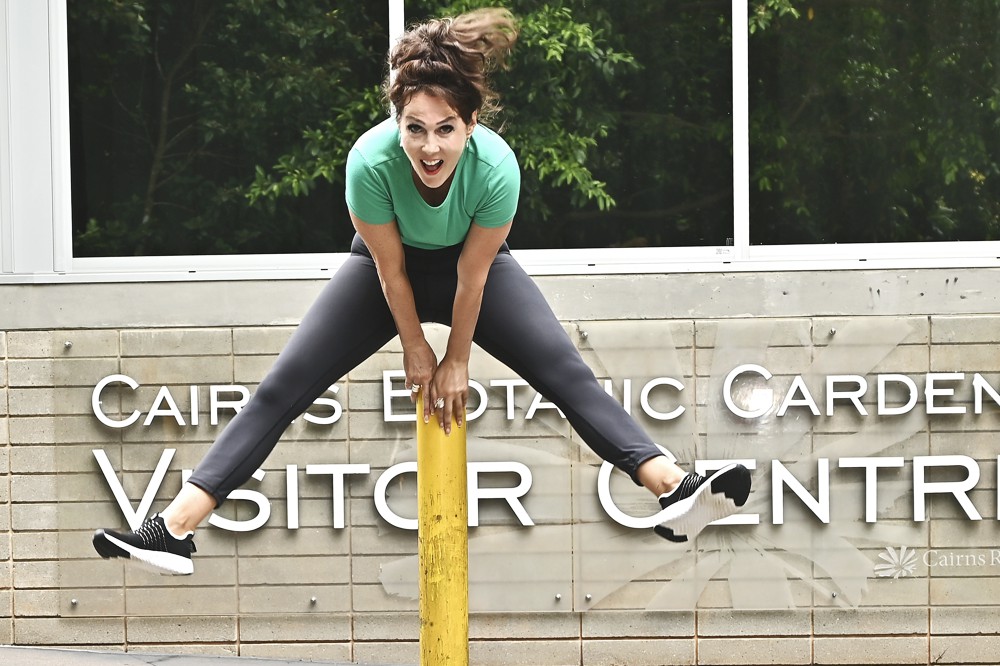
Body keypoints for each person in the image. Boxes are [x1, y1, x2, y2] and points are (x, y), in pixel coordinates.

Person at [93, 8, 750, 576]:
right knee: (281, 387)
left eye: (444, 129)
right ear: (397, 122)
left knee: (565, 373)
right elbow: (391, 271)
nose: (429, 147)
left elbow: (472, 276)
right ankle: (174, 528)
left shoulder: (496, 170)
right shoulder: (369, 163)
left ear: (469, 125)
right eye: (414, 127)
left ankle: (672, 486)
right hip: (386, 272)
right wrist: (415, 346)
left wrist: (456, 357)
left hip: (473, 271)